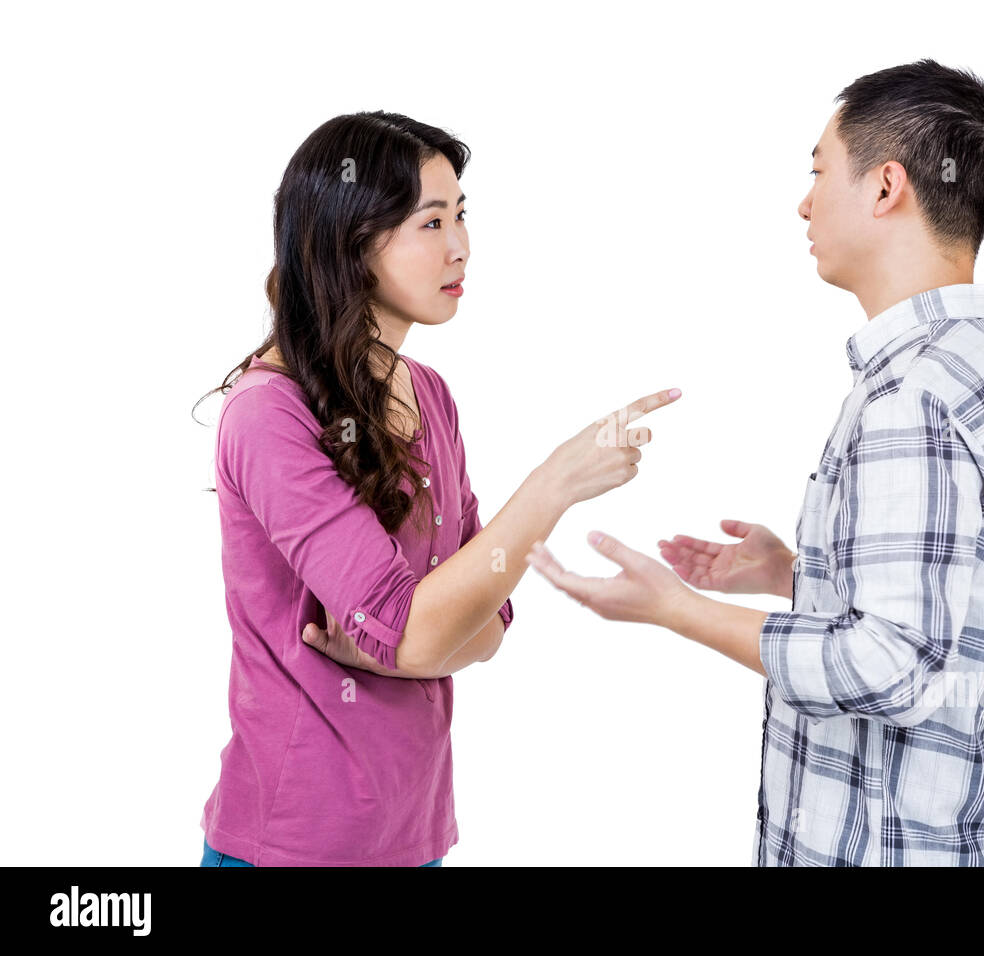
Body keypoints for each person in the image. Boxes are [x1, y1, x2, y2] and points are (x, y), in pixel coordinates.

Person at [525, 59, 984, 866]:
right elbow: (960, 610)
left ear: (886, 187)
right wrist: (802, 577)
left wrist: (676, 609)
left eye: (819, 171)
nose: (805, 201)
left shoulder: (910, 398)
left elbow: (892, 672)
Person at [193, 111, 680, 866]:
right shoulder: (268, 413)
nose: (461, 246)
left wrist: (403, 647)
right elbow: (426, 625)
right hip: (295, 844)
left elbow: (487, 625)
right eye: (430, 222)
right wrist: (553, 484)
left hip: (415, 833)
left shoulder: (430, 393)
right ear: (352, 242)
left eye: (461, 215)